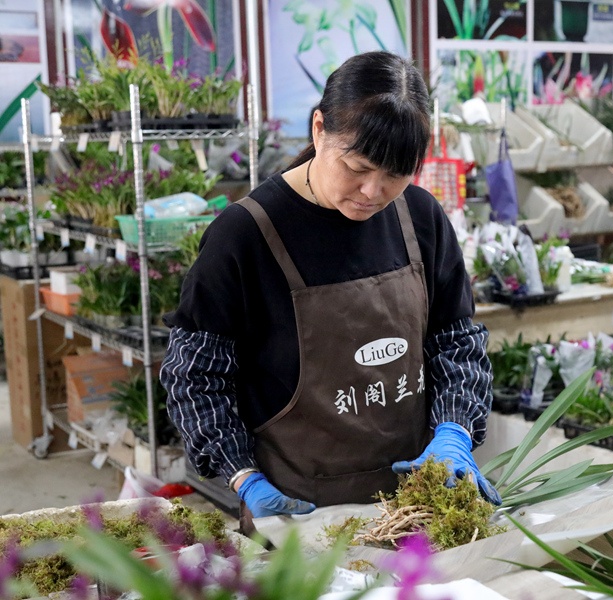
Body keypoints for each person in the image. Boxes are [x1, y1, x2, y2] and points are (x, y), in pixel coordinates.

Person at [160, 51, 500, 532]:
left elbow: (456, 341)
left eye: (396, 174)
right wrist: (244, 477)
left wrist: (454, 433)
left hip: (418, 505)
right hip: (297, 513)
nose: (373, 191)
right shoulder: (245, 236)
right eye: (358, 167)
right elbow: (195, 376)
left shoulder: (420, 218)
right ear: (319, 129)